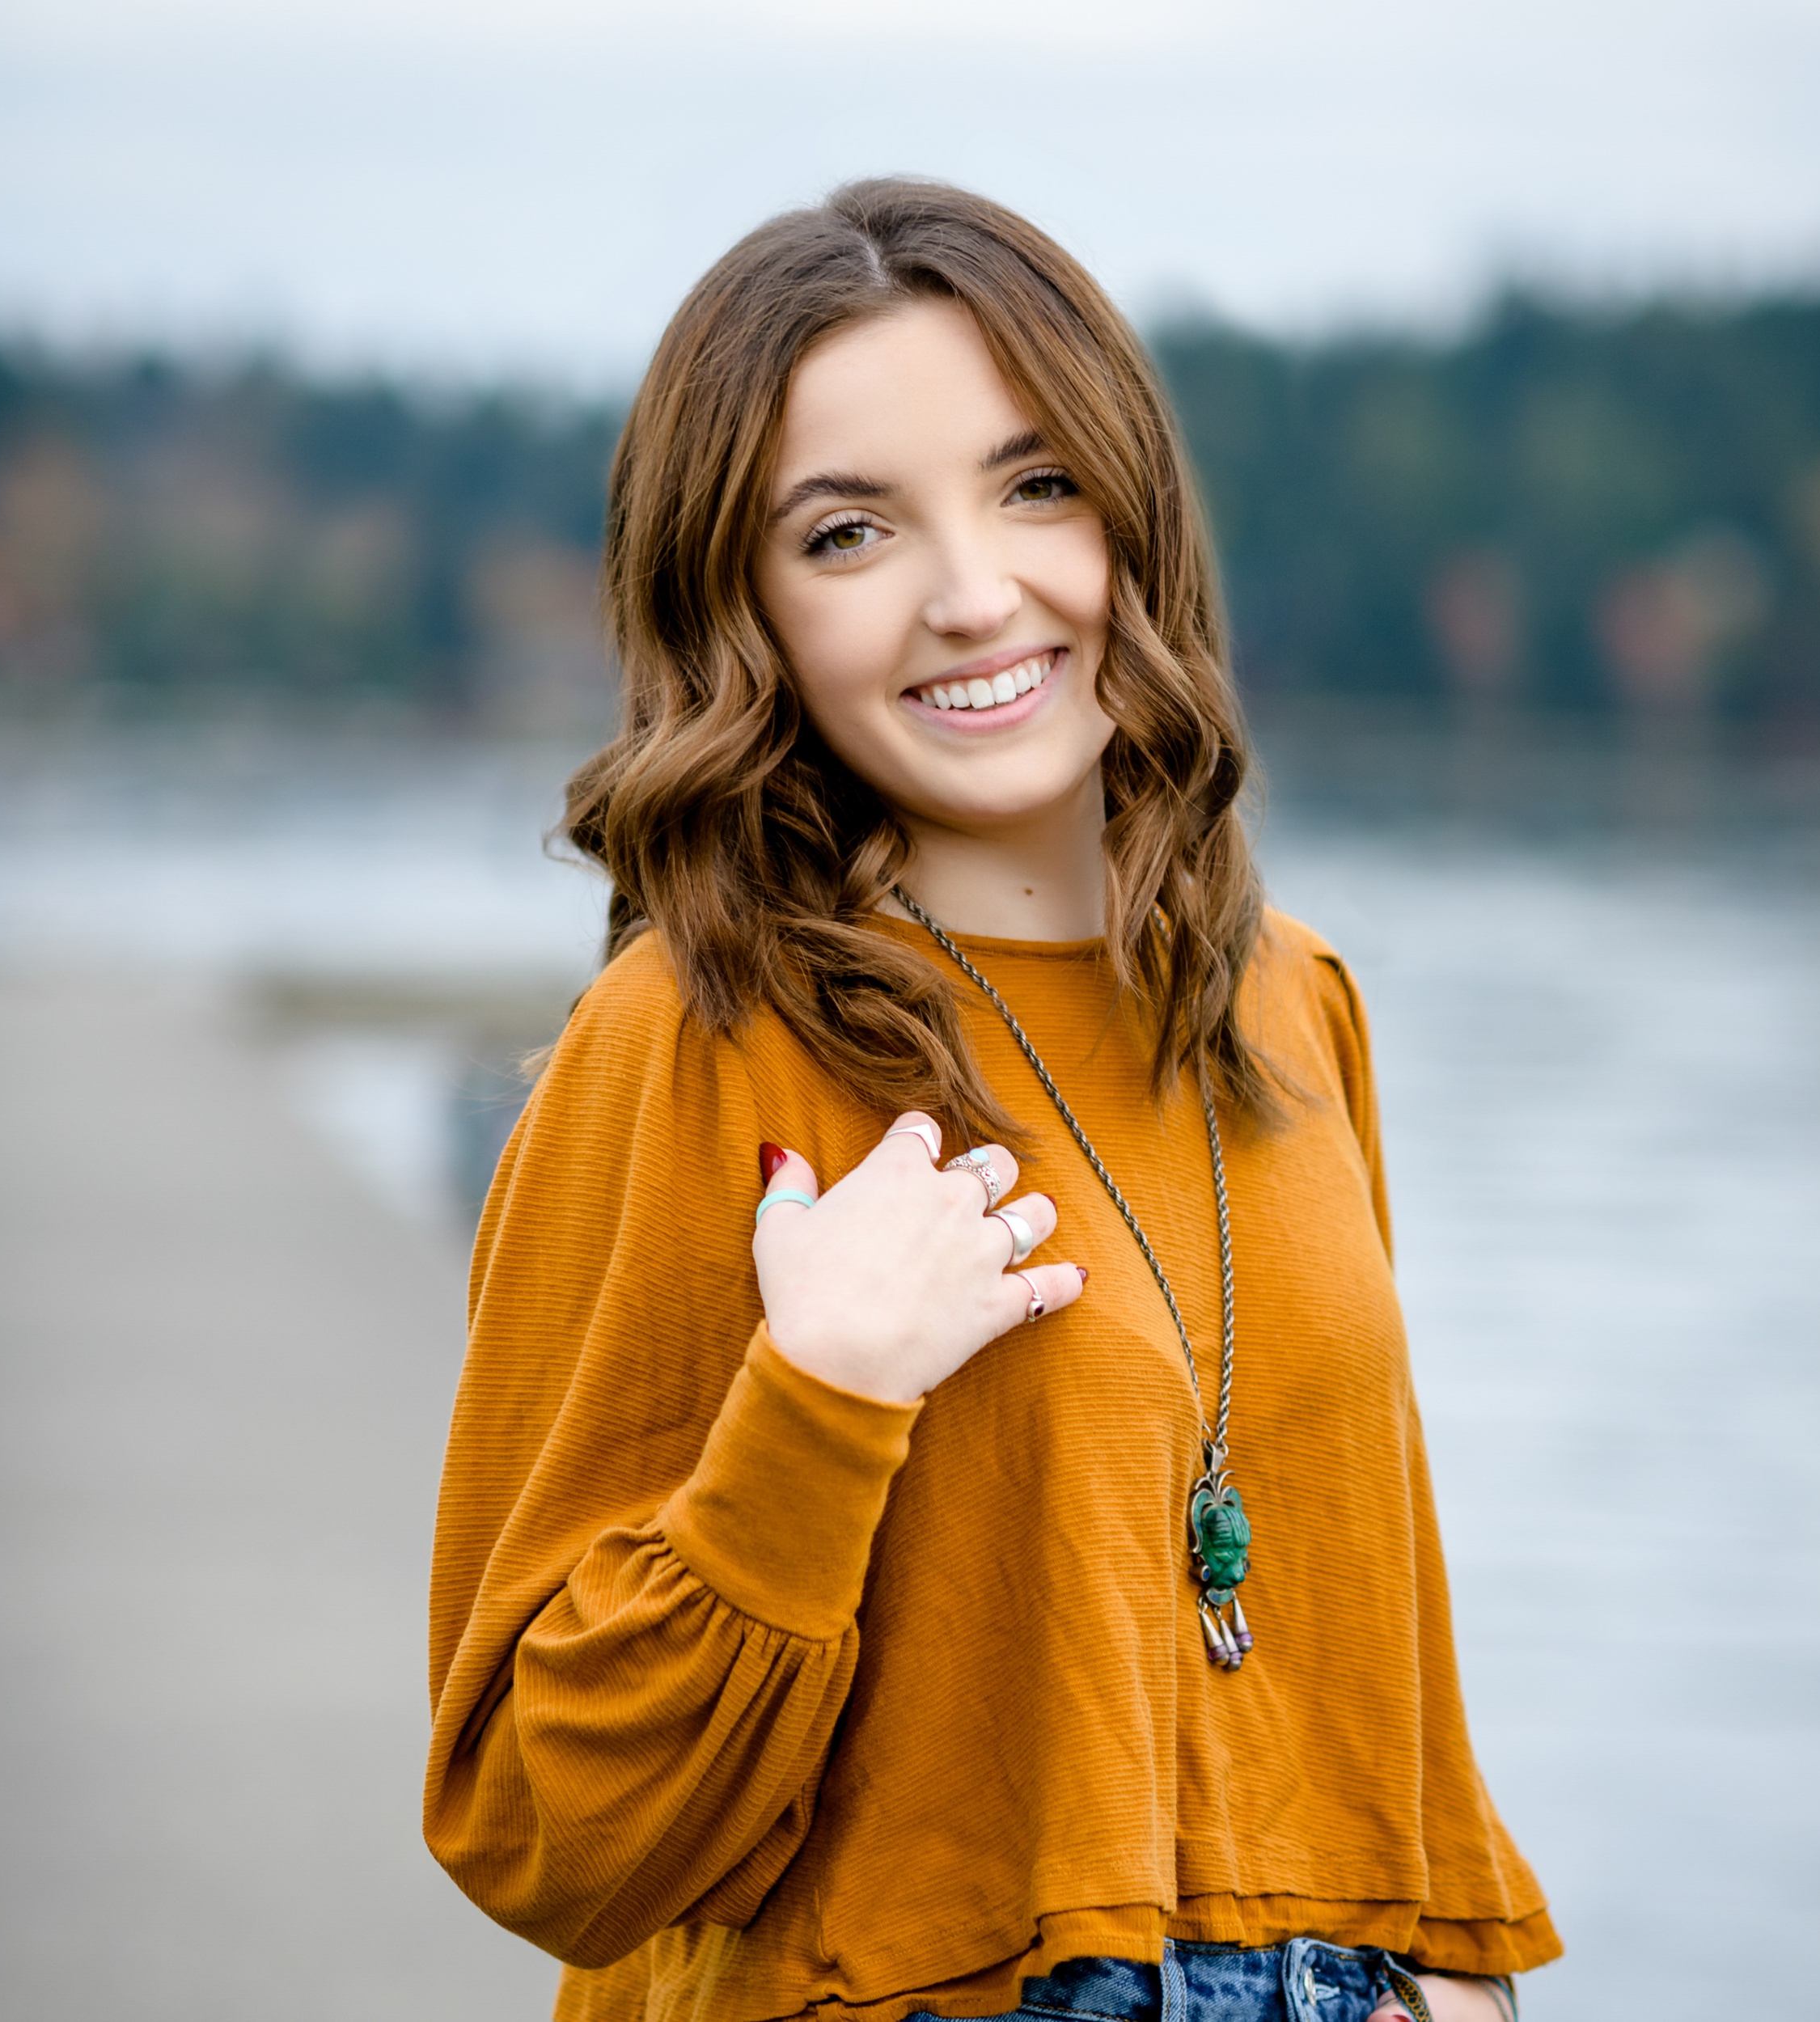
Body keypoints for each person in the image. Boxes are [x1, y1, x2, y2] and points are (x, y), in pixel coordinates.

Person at [425, 180, 1558, 2022]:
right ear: (747, 608)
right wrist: (819, 1402)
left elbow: (1372, 1616)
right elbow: (544, 1829)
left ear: (1133, 511)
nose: (973, 593)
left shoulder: (1292, 1007)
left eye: (1035, 485)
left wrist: (1446, 1959)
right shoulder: (685, 1041)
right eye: (850, 530)